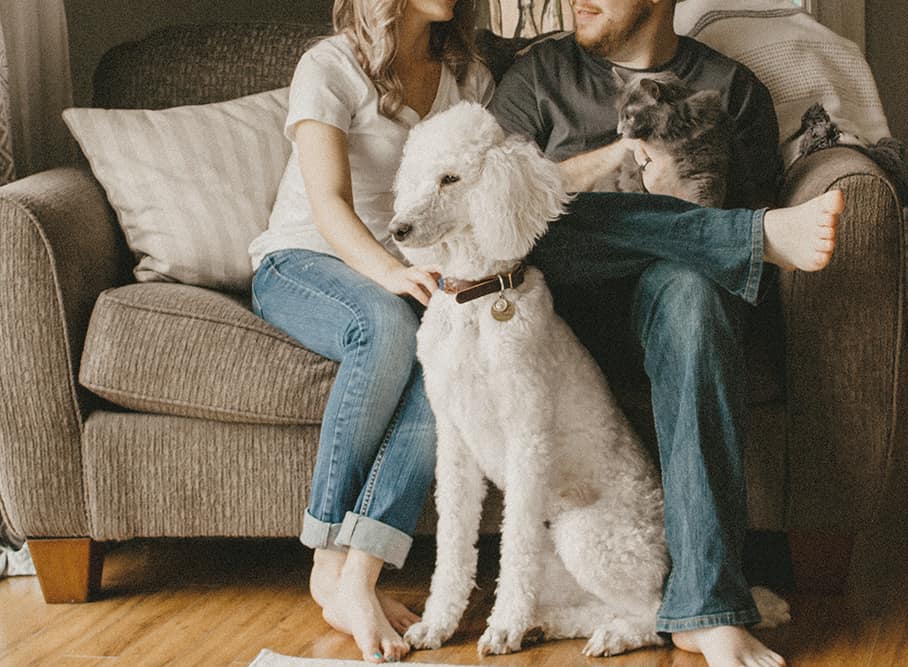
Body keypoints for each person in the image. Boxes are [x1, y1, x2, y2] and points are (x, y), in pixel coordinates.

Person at [487, 1, 844, 666]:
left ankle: (704, 608)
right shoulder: (540, 76)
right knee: (532, 215)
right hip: (562, 305)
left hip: (671, 304)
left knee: (695, 289)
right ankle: (747, 238)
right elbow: (495, 210)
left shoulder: (731, 90)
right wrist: (611, 163)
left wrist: (684, 208)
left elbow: (739, 283)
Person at [246, 0, 494, 663]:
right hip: (303, 261)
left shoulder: (467, 78)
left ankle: (357, 574)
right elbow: (327, 200)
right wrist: (388, 270)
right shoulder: (327, 67)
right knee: (386, 326)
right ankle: (328, 563)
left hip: (409, 269)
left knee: (450, 357)